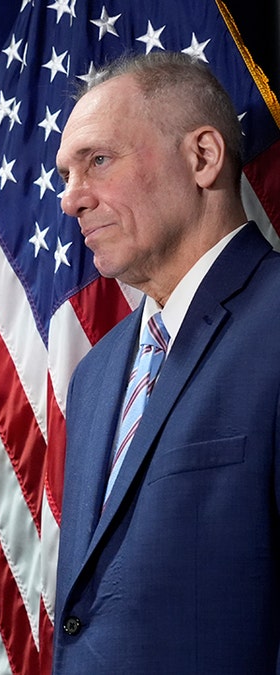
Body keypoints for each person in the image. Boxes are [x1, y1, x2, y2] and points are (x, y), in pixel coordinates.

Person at [53, 51, 280, 672]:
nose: (70, 200)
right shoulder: (95, 375)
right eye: (65, 175)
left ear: (202, 157)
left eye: (97, 161)